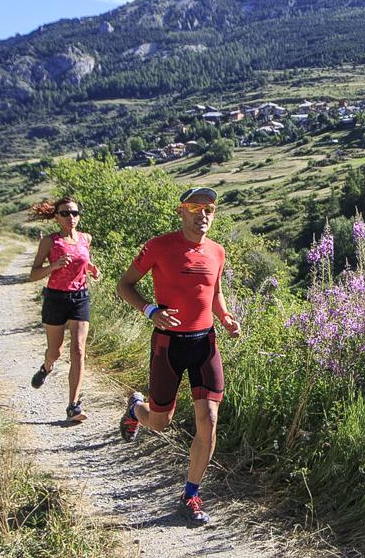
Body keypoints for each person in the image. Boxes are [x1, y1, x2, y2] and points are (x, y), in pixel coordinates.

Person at [115, 185, 241, 522]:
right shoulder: (159, 246)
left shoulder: (217, 251)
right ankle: (135, 409)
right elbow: (124, 285)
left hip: (205, 344)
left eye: (210, 209)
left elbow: (214, 292)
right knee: (159, 423)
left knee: (209, 419)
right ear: (180, 211)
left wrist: (225, 317)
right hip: (168, 345)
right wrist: (150, 311)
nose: (203, 214)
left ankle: (190, 496)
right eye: (195, 207)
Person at [28, 195, 99, 424]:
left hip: (80, 297)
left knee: (78, 350)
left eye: (75, 213)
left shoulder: (85, 238)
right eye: (65, 213)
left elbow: (83, 262)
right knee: (55, 351)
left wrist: (92, 270)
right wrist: (53, 266)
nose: (71, 217)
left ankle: (73, 405)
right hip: (56, 298)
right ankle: (47, 367)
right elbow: (33, 274)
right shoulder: (50, 241)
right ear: (56, 217)